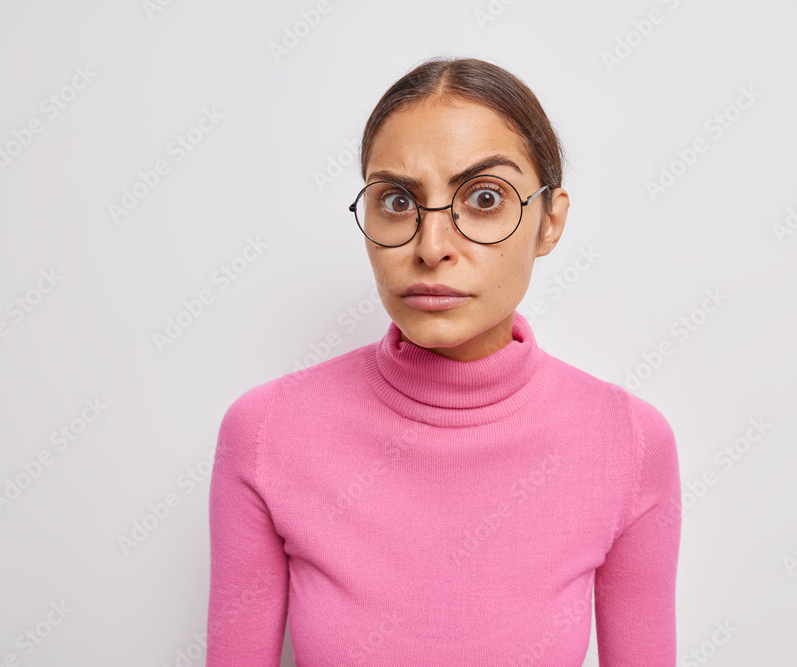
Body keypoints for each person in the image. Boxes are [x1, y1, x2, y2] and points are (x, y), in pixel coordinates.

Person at [207, 56, 681, 666]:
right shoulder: (266, 433)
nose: (431, 248)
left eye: (485, 198)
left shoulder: (629, 442)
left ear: (549, 221)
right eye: (398, 201)